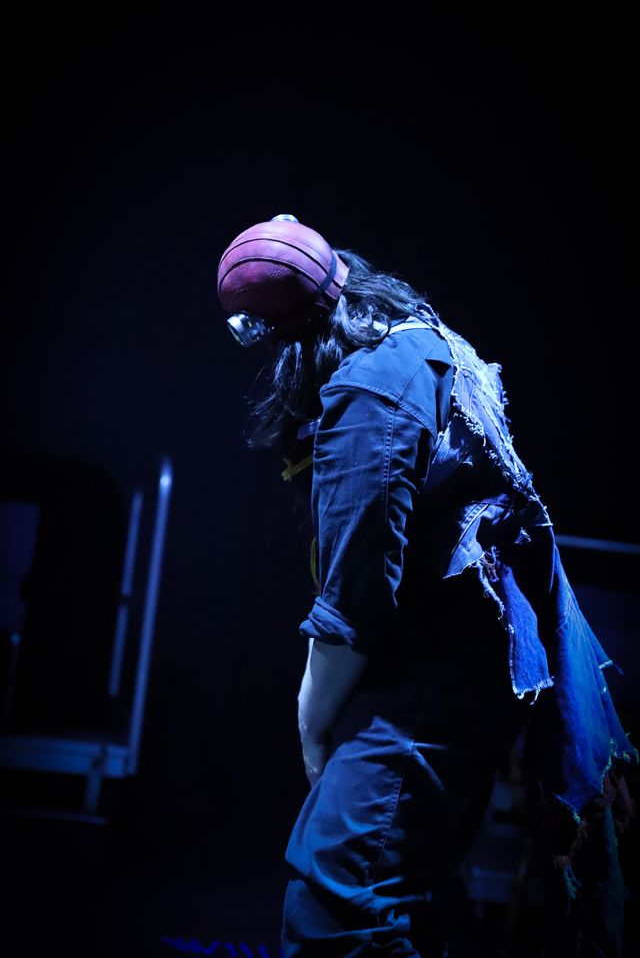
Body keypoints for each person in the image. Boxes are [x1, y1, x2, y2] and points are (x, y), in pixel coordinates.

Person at [216, 215, 638, 957]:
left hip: (430, 683)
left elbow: (354, 601)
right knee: (403, 893)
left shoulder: (369, 391)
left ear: (285, 338)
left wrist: (313, 727)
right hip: (470, 679)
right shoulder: (427, 342)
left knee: (338, 907)